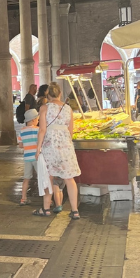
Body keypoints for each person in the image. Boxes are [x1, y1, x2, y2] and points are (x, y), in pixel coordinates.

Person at [34, 82, 81, 219]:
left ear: (47, 95)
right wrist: (66, 143)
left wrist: (38, 148)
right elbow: (71, 131)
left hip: (50, 145)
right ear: (60, 93)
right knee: (69, 178)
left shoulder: (44, 108)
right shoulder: (68, 109)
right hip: (66, 145)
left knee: (48, 177)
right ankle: (75, 211)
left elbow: (42, 130)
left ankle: (46, 208)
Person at [18, 108, 40, 206]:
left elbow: (20, 145)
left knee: (26, 178)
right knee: (42, 177)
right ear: (33, 120)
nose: (38, 121)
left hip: (27, 158)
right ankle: (48, 199)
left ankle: (23, 198)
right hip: (36, 157)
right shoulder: (38, 130)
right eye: (37, 119)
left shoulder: (22, 131)